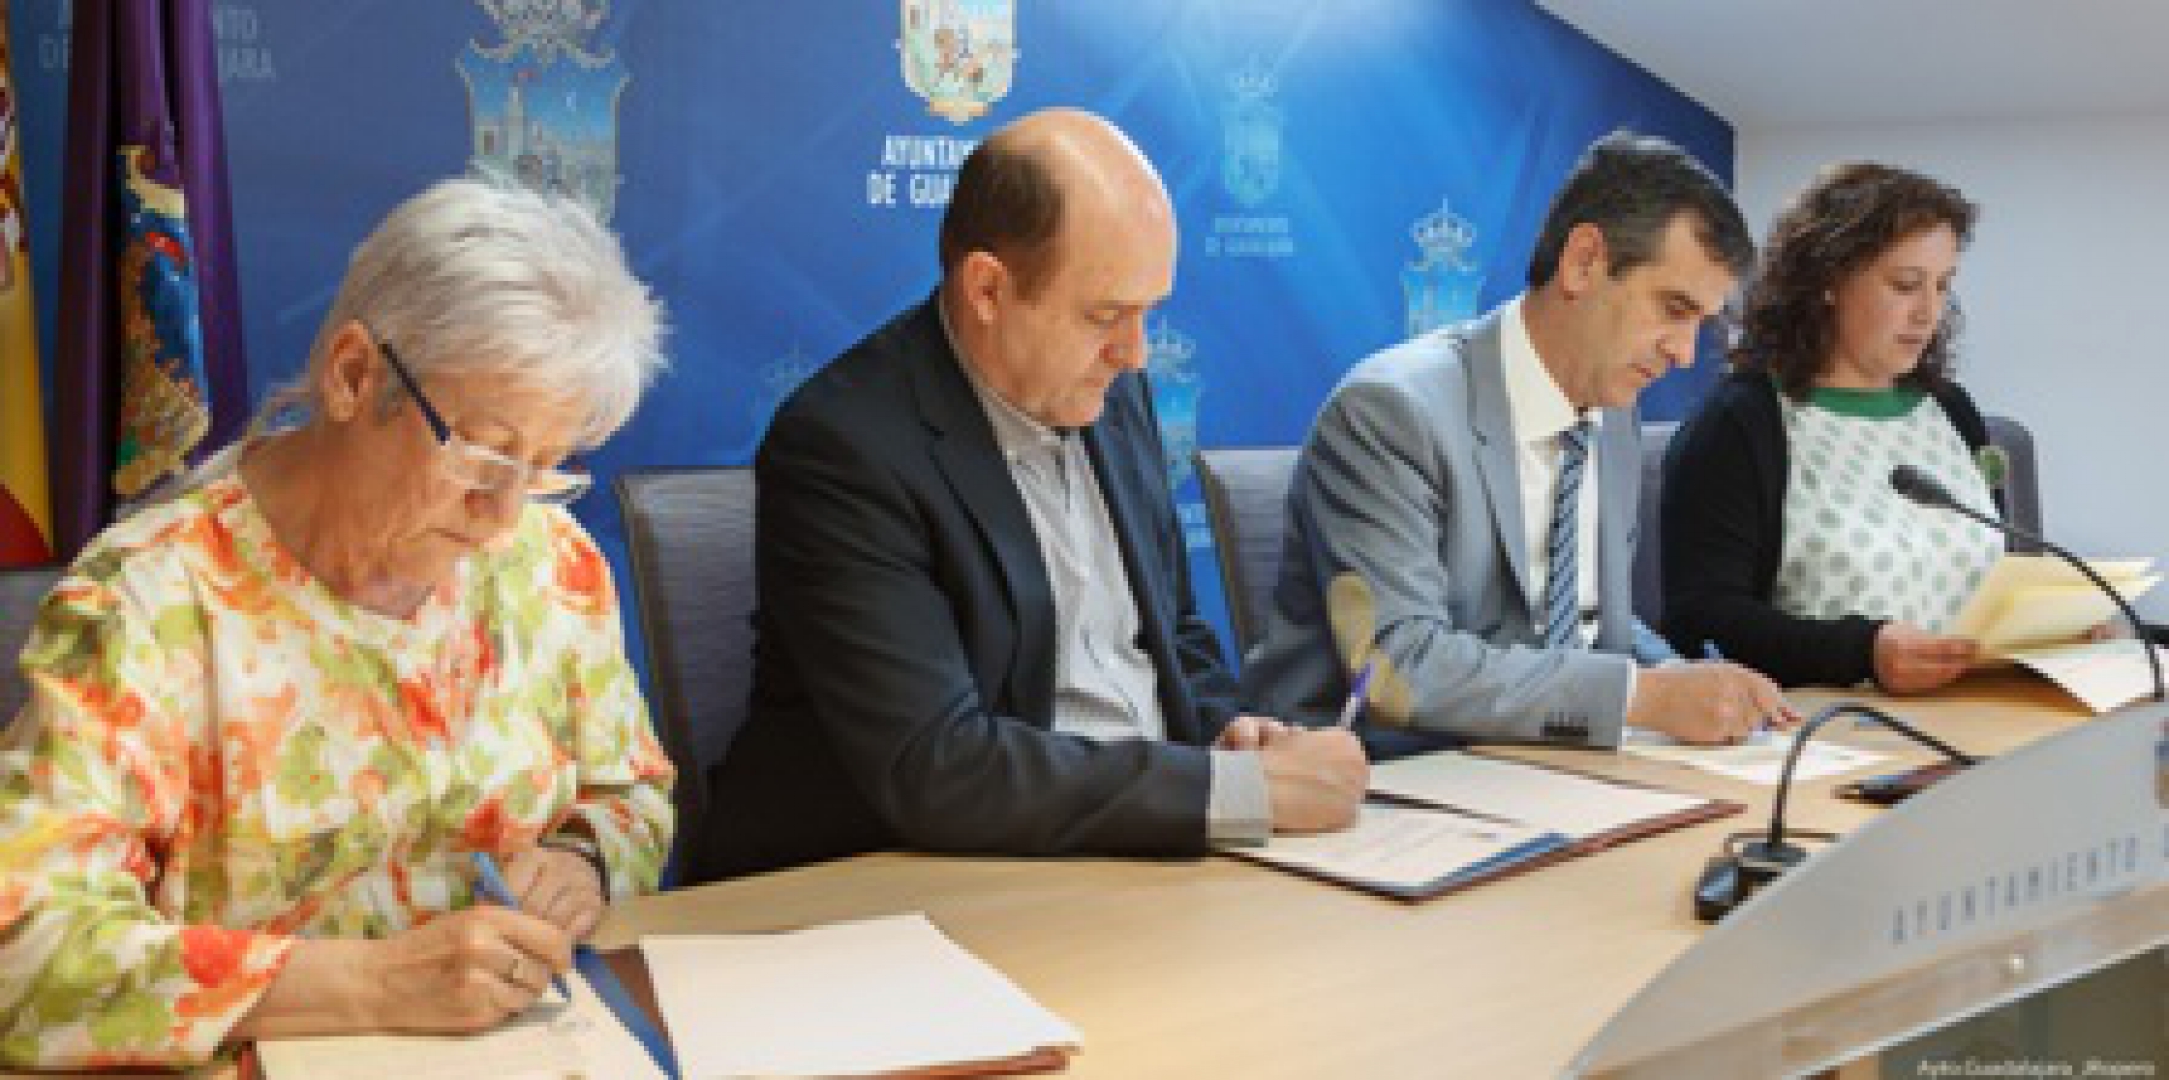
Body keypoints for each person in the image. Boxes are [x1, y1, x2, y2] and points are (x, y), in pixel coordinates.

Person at [0, 178, 673, 1069]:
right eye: (483, 453)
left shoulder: (553, 566)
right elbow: (26, 950)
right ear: (354, 375)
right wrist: (375, 984)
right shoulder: (151, 603)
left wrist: (583, 859)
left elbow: (630, 790)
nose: (504, 515)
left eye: (546, 467)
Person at [691, 108, 1367, 882]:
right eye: (1105, 315)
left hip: (1146, 853)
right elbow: (937, 765)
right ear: (987, 288)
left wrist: (1233, 738)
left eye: (1149, 312)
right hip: (903, 883)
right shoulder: (846, 447)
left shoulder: (1114, 391)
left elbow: (1172, 635)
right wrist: (1232, 791)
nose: (1135, 353)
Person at [1243, 131, 1792, 748]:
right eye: (1673, 308)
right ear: (1583, 262)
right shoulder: (1392, 413)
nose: (1685, 352)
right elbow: (1401, 669)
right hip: (1387, 771)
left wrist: (1686, 678)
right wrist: (1645, 696)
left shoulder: (1613, 416)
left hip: (1545, 764)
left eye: (1701, 324)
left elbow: (1589, 625)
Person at [1661, 163, 2003, 692]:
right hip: (1831, 725)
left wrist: (2056, 626)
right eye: (1905, 285)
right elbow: (1698, 620)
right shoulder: (1740, 424)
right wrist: (1861, 653)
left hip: (1984, 710)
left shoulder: (1952, 411)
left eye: (1942, 286)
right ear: (1828, 280)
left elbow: (2004, 573)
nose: (1928, 312)